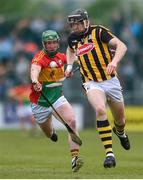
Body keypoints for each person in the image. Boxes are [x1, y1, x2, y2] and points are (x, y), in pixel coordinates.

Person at [65, 9, 131, 168]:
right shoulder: (73, 38)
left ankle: (120, 132)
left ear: (86, 22)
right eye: (72, 25)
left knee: (120, 121)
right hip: (91, 82)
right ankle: (109, 154)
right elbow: (70, 50)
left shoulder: (99, 32)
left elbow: (122, 46)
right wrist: (68, 66)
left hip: (111, 80)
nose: (75, 28)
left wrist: (114, 62)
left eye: (77, 24)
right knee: (100, 110)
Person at [29, 30, 83, 172]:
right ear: (44, 44)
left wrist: (70, 69)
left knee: (71, 121)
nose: (52, 46)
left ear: (58, 43)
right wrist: (35, 81)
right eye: (48, 43)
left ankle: (75, 158)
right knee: (48, 133)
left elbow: (77, 59)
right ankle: (52, 132)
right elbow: (34, 69)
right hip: (40, 102)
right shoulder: (39, 58)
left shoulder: (61, 57)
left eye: (54, 42)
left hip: (57, 98)